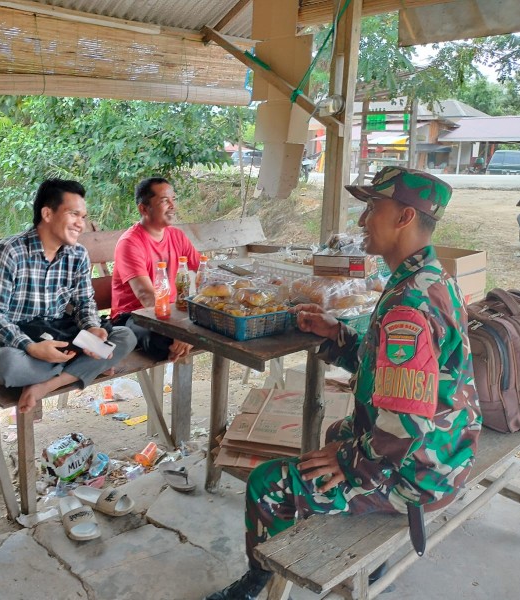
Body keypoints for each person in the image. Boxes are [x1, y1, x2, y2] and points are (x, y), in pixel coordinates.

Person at [205, 166, 482, 599]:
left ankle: (256, 581)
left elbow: (403, 425)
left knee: (269, 484)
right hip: (450, 448)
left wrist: (354, 463)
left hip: (421, 473)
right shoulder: (432, 279)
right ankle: (360, 552)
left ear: (404, 217)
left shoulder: (407, 305)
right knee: (336, 433)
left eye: (372, 207)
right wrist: (337, 334)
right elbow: (388, 376)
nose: (360, 220)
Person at [0, 179, 137, 414]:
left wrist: (92, 329)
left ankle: (47, 385)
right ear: (47, 213)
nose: (80, 224)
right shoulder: (10, 251)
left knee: (125, 336)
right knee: (7, 366)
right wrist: (31, 347)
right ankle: (88, 366)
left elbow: (84, 303)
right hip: (16, 343)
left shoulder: (78, 254)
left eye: (83, 217)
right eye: (74, 214)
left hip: (59, 336)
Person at [111, 177, 200, 361]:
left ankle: (189, 337)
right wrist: (181, 331)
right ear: (144, 209)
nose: (173, 206)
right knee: (162, 342)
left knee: (217, 328)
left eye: (173, 199)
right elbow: (146, 296)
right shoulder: (130, 243)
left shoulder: (177, 236)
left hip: (173, 312)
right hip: (135, 316)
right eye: (164, 201)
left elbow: (203, 272)